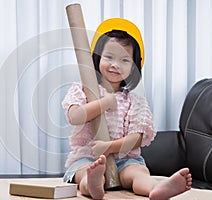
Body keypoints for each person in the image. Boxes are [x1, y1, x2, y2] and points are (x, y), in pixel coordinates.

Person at [62, 18, 192, 200]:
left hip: (125, 161)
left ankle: (156, 188)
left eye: (124, 59)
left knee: (138, 173)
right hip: (88, 158)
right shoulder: (83, 89)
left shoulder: (135, 101)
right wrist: (104, 103)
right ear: (98, 57)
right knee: (84, 172)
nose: (115, 64)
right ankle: (93, 184)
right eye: (109, 57)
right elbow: (74, 116)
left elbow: (137, 137)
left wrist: (109, 147)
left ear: (133, 68)